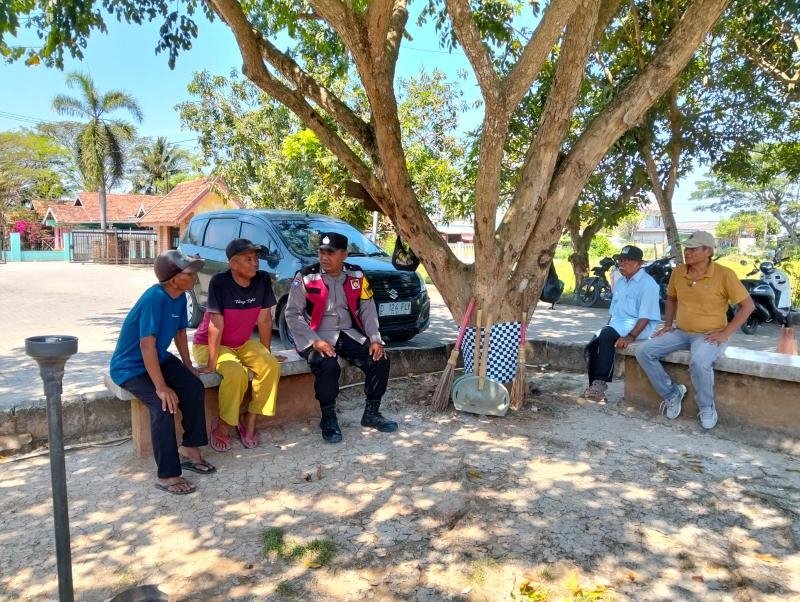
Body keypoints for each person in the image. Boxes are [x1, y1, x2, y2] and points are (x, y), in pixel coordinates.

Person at [109, 250, 214, 495]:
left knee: (192, 386)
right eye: (189, 273)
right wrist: (161, 386)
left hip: (158, 357)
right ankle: (167, 474)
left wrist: (187, 365)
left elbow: (179, 332)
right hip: (130, 367)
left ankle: (189, 449)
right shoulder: (154, 298)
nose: (194, 277)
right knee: (163, 404)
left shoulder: (179, 297)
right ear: (173, 278)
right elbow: (146, 345)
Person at [635, 231, 755, 429]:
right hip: (681, 332)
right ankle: (672, 393)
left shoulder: (724, 274)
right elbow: (671, 298)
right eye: (687, 248)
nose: (687, 252)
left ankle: (706, 407)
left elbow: (748, 306)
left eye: (693, 249)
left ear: (707, 251)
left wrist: (726, 332)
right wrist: (667, 325)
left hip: (709, 334)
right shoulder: (678, 272)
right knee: (643, 351)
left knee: (699, 362)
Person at [284, 231, 397, 443]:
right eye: (321, 252)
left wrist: (374, 338)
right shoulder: (307, 276)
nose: (324, 257)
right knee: (328, 365)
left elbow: (368, 308)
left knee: (380, 358)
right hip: (315, 335)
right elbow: (292, 314)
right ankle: (328, 418)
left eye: (330, 252)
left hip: (348, 333)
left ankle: (371, 413)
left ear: (344, 254)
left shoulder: (356, 275)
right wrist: (314, 341)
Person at [192, 239, 282, 452]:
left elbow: (265, 320)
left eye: (256, 258)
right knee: (235, 373)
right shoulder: (219, 282)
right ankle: (224, 425)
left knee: (271, 366)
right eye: (248, 259)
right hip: (209, 344)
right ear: (233, 264)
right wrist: (212, 363)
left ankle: (249, 419)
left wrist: (265, 353)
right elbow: (216, 324)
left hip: (241, 343)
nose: (255, 263)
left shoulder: (262, 280)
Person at [583, 245, 661, 402]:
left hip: (639, 327)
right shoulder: (620, 281)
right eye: (620, 260)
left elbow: (645, 317)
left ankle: (600, 384)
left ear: (640, 263)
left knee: (605, 337)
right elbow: (614, 312)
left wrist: (630, 337)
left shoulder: (648, 284)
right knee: (593, 344)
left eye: (627, 260)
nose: (621, 264)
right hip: (619, 324)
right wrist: (607, 327)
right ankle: (595, 387)